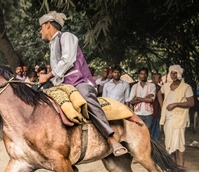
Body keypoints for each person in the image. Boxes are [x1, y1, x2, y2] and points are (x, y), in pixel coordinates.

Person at [38, 11, 127, 156]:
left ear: (48, 25)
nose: (40, 31)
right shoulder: (52, 45)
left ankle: (112, 139)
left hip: (79, 81)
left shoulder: (67, 37)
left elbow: (67, 60)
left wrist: (47, 76)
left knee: (86, 98)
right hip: (63, 85)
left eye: (41, 27)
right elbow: (58, 74)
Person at [157, 65, 194, 167]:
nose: (173, 75)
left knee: (179, 143)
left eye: (175, 73)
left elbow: (191, 103)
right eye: (171, 73)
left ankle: (181, 166)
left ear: (179, 74)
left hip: (179, 119)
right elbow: (159, 94)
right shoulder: (166, 86)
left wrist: (176, 104)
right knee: (169, 142)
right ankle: (173, 166)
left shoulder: (186, 87)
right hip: (167, 119)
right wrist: (162, 106)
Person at [128, 67, 156, 134]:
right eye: (141, 73)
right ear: (139, 75)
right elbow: (131, 101)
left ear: (147, 75)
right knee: (137, 133)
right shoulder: (135, 86)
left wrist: (138, 98)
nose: (143, 75)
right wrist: (145, 98)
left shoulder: (152, 85)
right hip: (138, 113)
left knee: (147, 133)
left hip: (148, 113)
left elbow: (151, 100)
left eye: (145, 74)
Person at [150, 72, 162, 141]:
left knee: (156, 131)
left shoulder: (159, 88)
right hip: (149, 112)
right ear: (153, 78)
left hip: (157, 112)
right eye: (159, 78)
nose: (160, 79)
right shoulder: (148, 87)